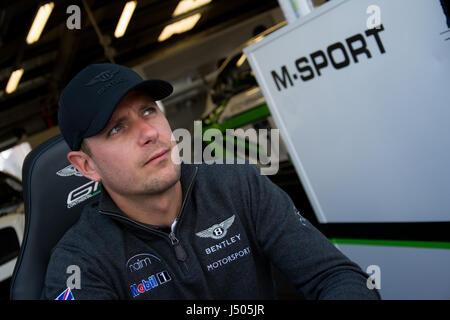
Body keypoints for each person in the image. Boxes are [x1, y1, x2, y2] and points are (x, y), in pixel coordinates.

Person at [42, 63, 380, 300]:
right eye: (117, 128)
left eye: (148, 111)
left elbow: (338, 277)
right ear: (86, 166)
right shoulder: (79, 263)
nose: (149, 133)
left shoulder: (238, 186)